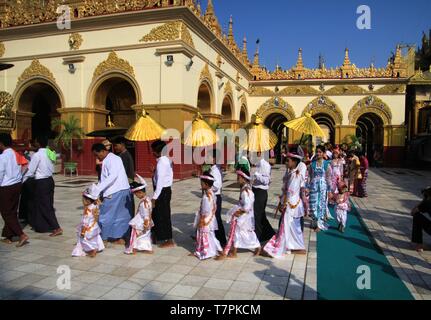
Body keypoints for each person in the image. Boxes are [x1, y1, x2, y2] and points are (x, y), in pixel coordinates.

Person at [263, 151, 306, 258]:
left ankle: (290, 246)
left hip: (291, 204)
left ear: (295, 162)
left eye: (288, 161)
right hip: (291, 203)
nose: (286, 162)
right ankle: (294, 246)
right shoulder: (291, 173)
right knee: (291, 226)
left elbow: (290, 192)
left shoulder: (296, 175)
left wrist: (284, 204)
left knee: (288, 225)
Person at [90, 143, 133, 245]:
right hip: (123, 190)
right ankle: (120, 237)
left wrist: (97, 189)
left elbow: (112, 176)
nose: (97, 157)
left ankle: (104, 238)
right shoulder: (113, 159)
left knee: (106, 215)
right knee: (121, 215)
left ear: (103, 151)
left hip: (114, 191)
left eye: (97, 155)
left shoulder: (112, 159)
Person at [216, 167, 261, 260]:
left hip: (245, 216)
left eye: (239, 177)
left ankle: (257, 247)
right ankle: (234, 251)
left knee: (244, 232)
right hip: (243, 214)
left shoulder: (246, 191)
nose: (237, 179)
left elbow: (247, 206)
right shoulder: (245, 188)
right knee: (237, 232)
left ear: (244, 178)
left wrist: (239, 212)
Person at [23, 135, 62, 237]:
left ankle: (56, 227)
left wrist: (22, 180)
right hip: (50, 180)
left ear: (38, 143)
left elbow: (31, 170)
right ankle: (44, 226)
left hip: (42, 182)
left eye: (35, 142)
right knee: (46, 203)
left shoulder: (37, 155)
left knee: (45, 205)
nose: (34, 143)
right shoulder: (49, 153)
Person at [0, 133, 29, 247]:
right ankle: (8, 236)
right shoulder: (15, 154)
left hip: (6, 187)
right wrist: (20, 177)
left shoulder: (3, 157)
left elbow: (0, 173)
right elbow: (25, 166)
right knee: (12, 211)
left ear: (1, 144)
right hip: (16, 185)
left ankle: (21, 234)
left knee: (6, 212)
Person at [192, 172, 222, 260]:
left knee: (209, 236)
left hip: (206, 219)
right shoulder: (211, 193)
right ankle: (203, 251)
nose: (200, 184)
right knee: (208, 235)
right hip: (210, 218)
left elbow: (205, 210)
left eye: (201, 182)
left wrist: (202, 220)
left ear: (205, 184)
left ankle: (215, 251)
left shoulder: (206, 197)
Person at [151, 140, 175, 248]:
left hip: (162, 191)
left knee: (163, 215)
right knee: (157, 214)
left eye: (153, 151)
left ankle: (169, 239)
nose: (152, 153)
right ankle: (157, 235)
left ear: (157, 151)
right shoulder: (167, 160)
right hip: (165, 190)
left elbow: (160, 181)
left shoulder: (161, 162)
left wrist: (154, 197)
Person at [72, 184, 105, 258]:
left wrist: (83, 231)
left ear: (87, 200)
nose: (82, 201)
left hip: (88, 228)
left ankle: (91, 250)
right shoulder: (95, 206)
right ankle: (98, 247)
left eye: (83, 200)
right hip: (94, 226)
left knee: (84, 240)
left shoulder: (88, 210)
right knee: (95, 237)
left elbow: (85, 222)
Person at [125, 175, 154, 255]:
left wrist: (145, 224)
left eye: (136, 194)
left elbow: (145, 215)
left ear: (140, 192)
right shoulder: (147, 200)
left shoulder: (144, 203)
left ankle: (132, 248)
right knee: (145, 236)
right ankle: (147, 248)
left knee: (135, 235)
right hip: (146, 221)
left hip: (142, 222)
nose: (136, 196)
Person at [252, 151, 275, 243]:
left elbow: (266, 180)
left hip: (261, 192)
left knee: (257, 216)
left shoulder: (265, 165)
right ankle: (270, 234)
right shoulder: (256, 164)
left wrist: (256, 175)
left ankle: (258, 238)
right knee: (260, 215)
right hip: (254, 190)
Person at [308, 145, 332, 232]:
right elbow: (310, 177)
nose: (318, 153)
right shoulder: (312, 164)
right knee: (313, 204)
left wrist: (329, 191)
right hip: (313, 186)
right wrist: (307, 187)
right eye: (317, 152)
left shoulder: (326, 164)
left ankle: (320, 224)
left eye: (320, 152)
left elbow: (329, 178)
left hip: (322, 187)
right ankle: (314, 221)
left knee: (320, 204)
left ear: (323, 153)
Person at [209, 149, 226, 247]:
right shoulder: (213, 169)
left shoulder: (215, 171)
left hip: (216, 197)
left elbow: (217, 185)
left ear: (214, 159)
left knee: (217, 219)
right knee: (213, 218)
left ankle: (222, 240)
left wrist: (208, 186)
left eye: (209, 157)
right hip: (213, 197)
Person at [411, 187, 431, 252]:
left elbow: (413, 212)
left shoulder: (428, 203)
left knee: (417, 216)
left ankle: (419, 245)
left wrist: (422, 202)